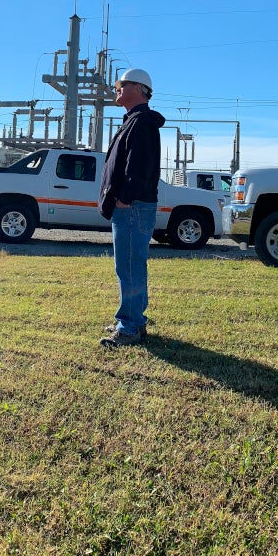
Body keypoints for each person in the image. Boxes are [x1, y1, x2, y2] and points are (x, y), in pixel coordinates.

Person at [98, 67, 166, 347]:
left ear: (139, 88)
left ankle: (129, 327)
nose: (116, 88)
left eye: (121, 84)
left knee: (128, 266)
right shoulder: (135, 121)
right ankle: (133, 319)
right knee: (131, 265)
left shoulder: (142, 123)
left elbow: (140, 168)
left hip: (133, 206)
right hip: (132, 206)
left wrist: (124, 198)